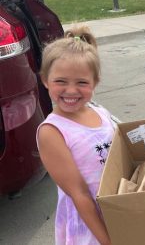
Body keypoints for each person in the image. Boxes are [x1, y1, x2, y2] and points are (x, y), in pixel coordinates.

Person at [36, 25, 114, 245]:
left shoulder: (101, 113)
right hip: (88, 224)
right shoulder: (52, 132)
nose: (71, 91)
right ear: (45, 80)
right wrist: (108, 241)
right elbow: (79, 193)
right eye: (60, 81)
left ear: (95, 83)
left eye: (81, 82)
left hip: (114, 210)